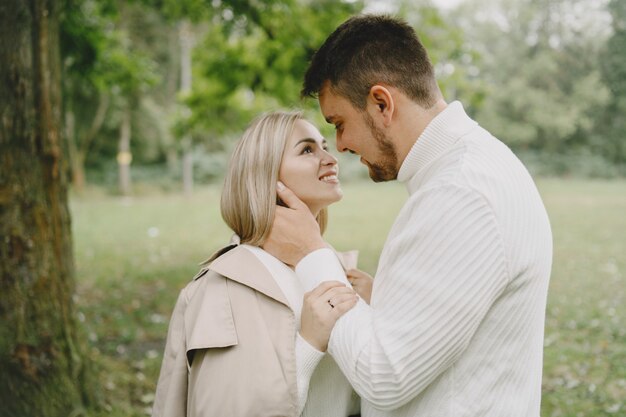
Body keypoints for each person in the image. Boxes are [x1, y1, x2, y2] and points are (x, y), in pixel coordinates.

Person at [263, 15, 553, 417]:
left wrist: (313, 255)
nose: (341, 146)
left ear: (382, 103)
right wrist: (383, 301)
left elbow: (384, 378)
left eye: (340, 124)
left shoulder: (461, 193)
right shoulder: (469, 169)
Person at [151, 111, 363, 417]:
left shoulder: (332, 267)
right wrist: (309, 345)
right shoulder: (223, 290)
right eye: (307, 150)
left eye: (324, 146)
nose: (331, 158)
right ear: (267, 177)